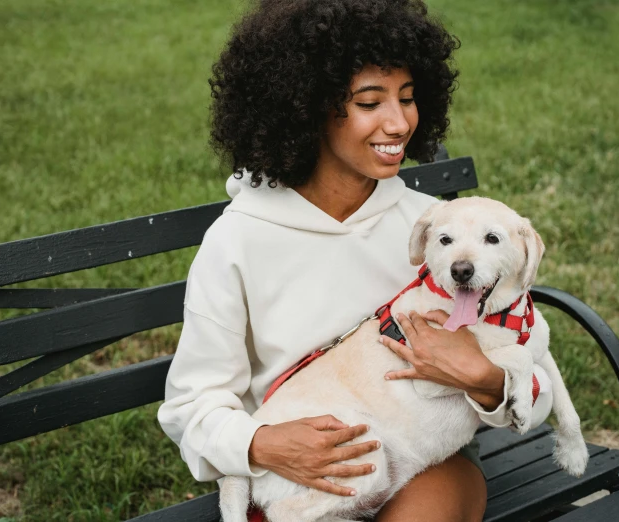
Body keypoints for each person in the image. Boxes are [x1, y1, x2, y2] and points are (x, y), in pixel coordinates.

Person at [158, 1, 553, 520]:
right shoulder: (238, 241)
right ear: (308, 107)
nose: (399, 122)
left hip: (426, 459)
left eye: (408, 99)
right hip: (300, 479)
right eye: (370, 101)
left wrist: (487, 379)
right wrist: (264, 443)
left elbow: (537, 379)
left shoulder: (437, 234)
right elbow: (192, 406)